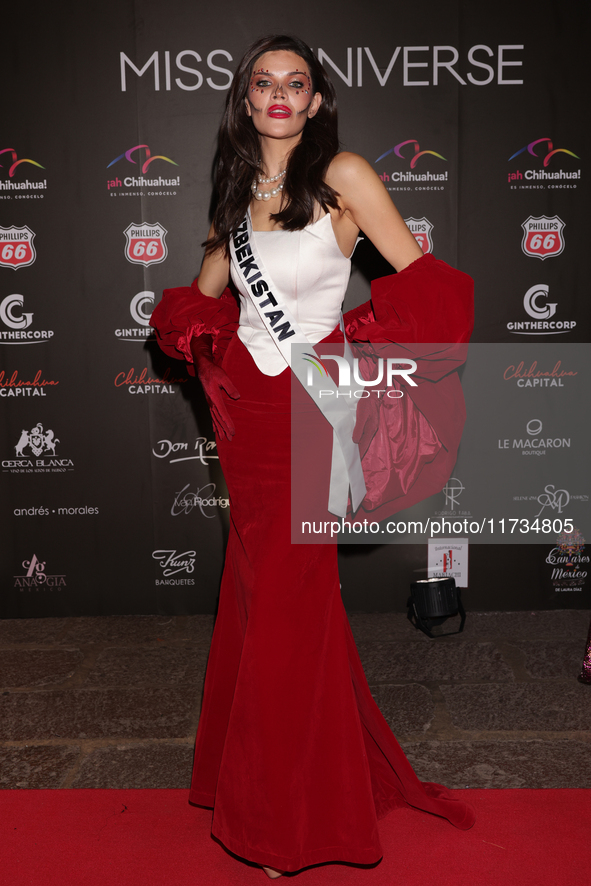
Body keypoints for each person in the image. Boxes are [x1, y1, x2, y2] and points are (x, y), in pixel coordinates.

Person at [151, 33, 475, 879]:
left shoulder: (346, 177)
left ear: (318, 100)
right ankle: (297, 781)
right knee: (263, 599)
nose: (281, 95)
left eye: (297, 83)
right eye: (265, 83)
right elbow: (203, 296)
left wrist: (355, 341)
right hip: (248, 425)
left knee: (290, 608)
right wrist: (197, 336)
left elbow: (426, 287)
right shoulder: (234, 190)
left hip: (312, 413)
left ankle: (284, 821)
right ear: (246, 100)